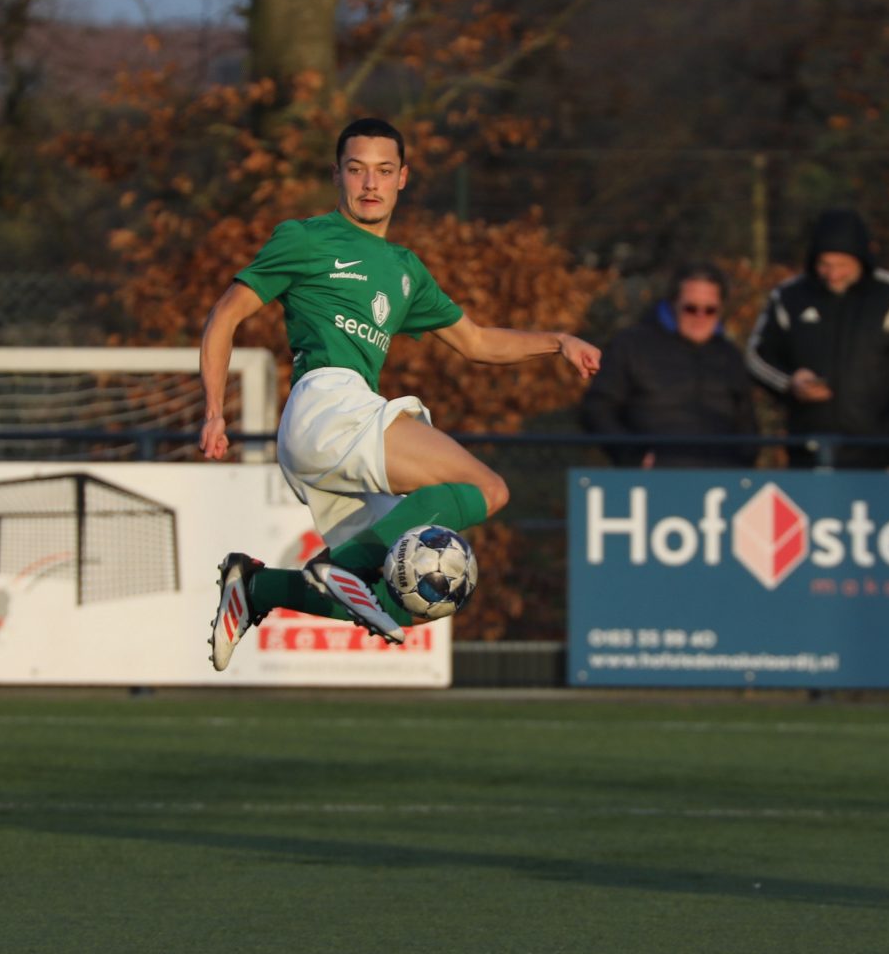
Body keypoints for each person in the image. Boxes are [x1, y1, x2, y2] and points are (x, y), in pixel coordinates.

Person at [197, 116, 601, 670]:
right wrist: (214, 411)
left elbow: (477, 341)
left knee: (406, 594)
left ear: (402, 178)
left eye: (384, 171)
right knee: (485, 487)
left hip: (327, 438)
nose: (370, 183)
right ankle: (337, 568)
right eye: (357, 169)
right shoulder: (306, 238)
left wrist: (558, 341)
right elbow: (225, 314)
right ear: (337, 175)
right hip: (326, 404)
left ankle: (257, 587)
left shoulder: (406, 270)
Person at [745, 208, 889, 469]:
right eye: (825, 265)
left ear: (861, 259)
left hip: (880, 456)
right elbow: (757, 355)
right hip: (808, 453)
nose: (833, 274)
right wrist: (791, 383)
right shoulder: (790, 297)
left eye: (842, 265)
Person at [579, 264, 759, 468]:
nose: (700, 317)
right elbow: (597, 408)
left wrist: (741, 463)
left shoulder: (730, 355)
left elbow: (747, 422)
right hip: (650, 478)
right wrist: (631, 454)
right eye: (691, 308)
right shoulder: (631, 346)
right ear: (673, 303)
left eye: (710, 310)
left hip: (721, 477)